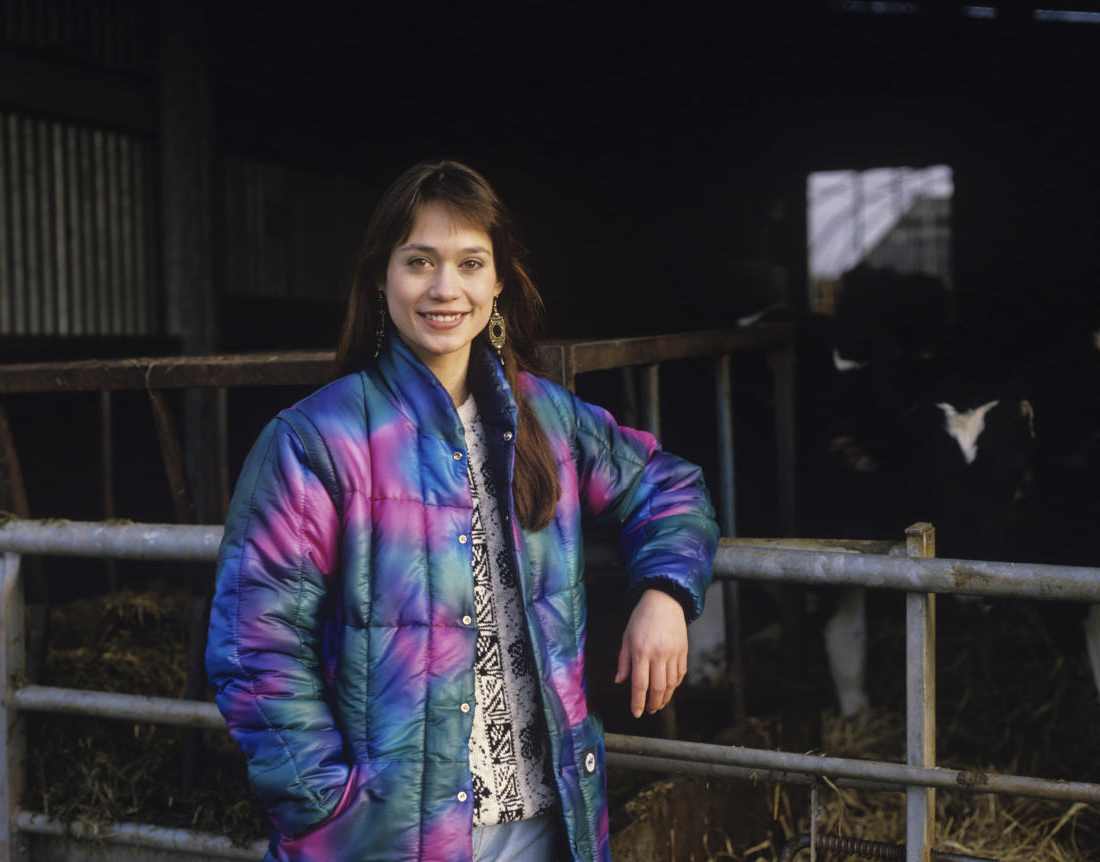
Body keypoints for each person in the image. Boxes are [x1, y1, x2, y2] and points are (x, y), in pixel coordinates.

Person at [206, 160, 719, 862]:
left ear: (498, 281)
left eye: (469, 263)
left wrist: (664, 592)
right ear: (380, 276)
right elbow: (254, 651)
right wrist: (332, 812)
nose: (445, 289)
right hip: (390, 839)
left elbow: (670, 486)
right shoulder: (315, 440)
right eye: (419, 262)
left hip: (550, 826)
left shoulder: (548, 418)